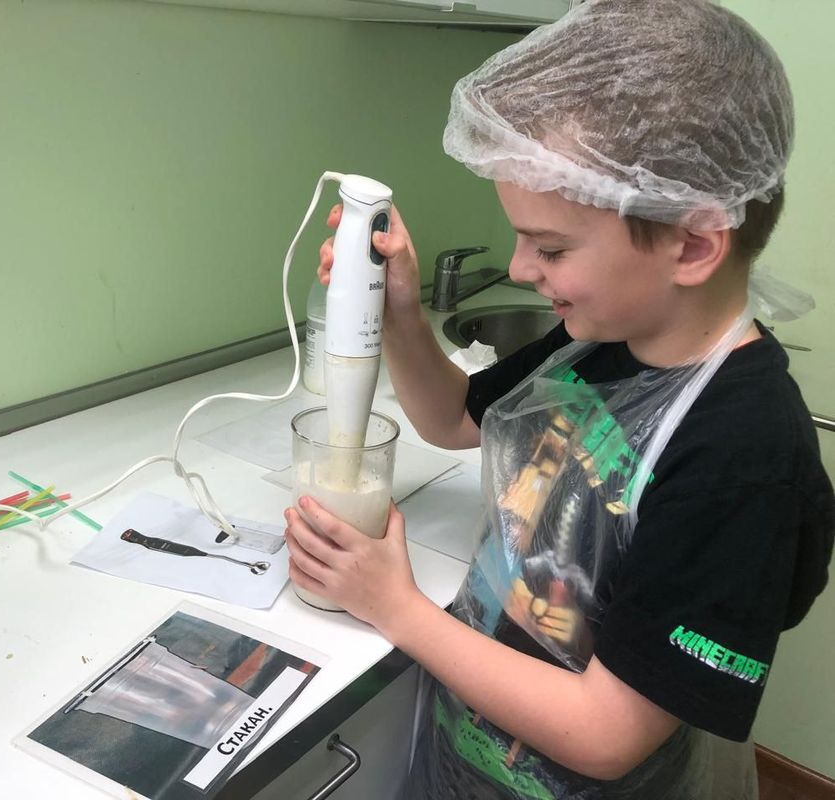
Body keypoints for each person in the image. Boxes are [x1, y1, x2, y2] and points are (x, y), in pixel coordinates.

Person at [283, 0, 835, 797]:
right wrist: (400, 310)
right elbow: (450, 419)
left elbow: (606, 736)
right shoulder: (600, 340)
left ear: (690, 245)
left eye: (549, 246)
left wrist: (394, 606)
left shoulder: (743, 455)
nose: (518, 269)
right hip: (467, 758)